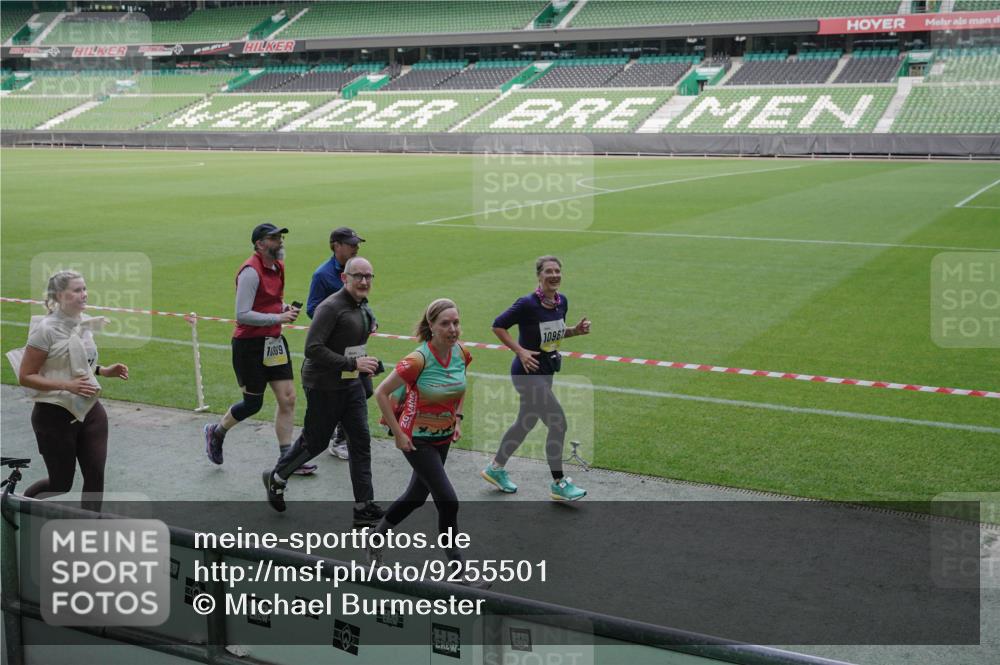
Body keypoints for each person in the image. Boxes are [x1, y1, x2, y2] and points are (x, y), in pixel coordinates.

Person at [264, 257, 384, 527]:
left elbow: (350, 346)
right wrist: (353, 363)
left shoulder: (362, 306)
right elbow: (313, 349)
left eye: (368, 276)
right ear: (345, 278)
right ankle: (278, 477)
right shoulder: (330, 307)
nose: (364, 281)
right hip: (323, 386)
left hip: (350, 384)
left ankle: (363, 506)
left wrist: (367, 365)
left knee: (360, 442)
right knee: (315, 442)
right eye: (358, 276)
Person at [17, 270, 129, 512]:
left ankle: (89, 532)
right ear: (59, 295)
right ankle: (21, 507)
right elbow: (25, 376)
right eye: (77, 290)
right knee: (60, 484)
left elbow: (77, 365)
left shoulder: (84, 323)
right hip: (54, 416)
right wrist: (67, 386)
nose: (84, 294)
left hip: (90, 410)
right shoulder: (45, 330)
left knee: (95, 475)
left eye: (84, 289)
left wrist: (103, 370)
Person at [203, 223, 311, 474]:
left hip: (273, 342)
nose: (280, 241)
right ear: (260, 244)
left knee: (288, 398)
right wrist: (277, 318)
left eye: (280, 237)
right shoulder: (250, 272)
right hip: (249, 345)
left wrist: (283, 309)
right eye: (274, 238)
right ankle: (216, 432)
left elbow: (270, 301)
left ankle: (288, 460)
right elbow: (242, 314)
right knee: (253, 404)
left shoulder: (278, 267)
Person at [481, 256, 591, 501]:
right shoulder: (527, 303)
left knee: (525, 422)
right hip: (527, 373)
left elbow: (555, 332)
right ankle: (558, 483)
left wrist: (575, 330)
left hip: (546, 371)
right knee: (558, 422)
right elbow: (498, 325)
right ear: (539, 276)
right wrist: (519, 350)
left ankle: (495, 468)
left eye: (557, 271)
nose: (554, 275)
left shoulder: (561, 302)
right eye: (549, 271)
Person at [370, 299, 470, 567]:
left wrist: (457, 419)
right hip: (417, 439)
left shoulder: (461, 353)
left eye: (456, 323)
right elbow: (381, 392)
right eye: (445, 324)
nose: (453, 329)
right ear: (432, 326)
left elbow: (460, 387)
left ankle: (375, 538)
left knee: (415, 496)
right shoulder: (417, 360)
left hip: (444, 437)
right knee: (448, 502)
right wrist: (398, 433)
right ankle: (458, 570)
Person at [306, 226, 375, 461]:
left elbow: (361, 304)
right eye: (351, 243)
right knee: (331, 406)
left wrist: (369, 320)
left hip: (354, 348)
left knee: (364, 390)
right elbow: (312, 308)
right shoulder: (322, 275)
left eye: (357, 243)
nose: (356, 247)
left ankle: (341, 437)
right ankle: (333, 440)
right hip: (332, 351)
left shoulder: (359, 271)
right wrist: (338, 320)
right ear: (336, 246)